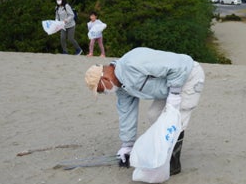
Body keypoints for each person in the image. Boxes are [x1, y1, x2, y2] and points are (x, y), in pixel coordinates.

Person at [83, 47, 205, 175]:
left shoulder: (132, 62)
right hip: (169, 88)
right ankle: (164, 154)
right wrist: (127, 145)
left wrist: (174, 94)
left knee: (176, 120)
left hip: (188, 76)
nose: (104, 93)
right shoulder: (122, 88)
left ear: (105, 79)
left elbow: (178, 66)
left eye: (101, 90)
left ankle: (173, 164)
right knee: (154, 115)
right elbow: (126, 114)